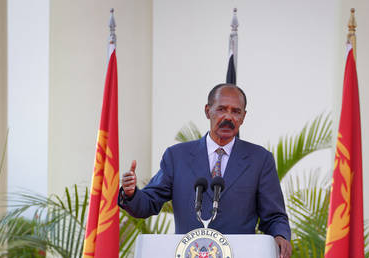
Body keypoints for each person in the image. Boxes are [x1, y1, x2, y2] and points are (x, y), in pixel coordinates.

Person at [119, 83, 292, 258]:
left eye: (236, 111)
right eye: (221, 109)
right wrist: (131, 193)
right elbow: (148, 204)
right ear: (207, 111)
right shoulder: (177, 156)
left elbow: (274, 215)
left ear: (243, 117)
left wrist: (280, 236)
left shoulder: (260, 159)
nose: (228, 117)